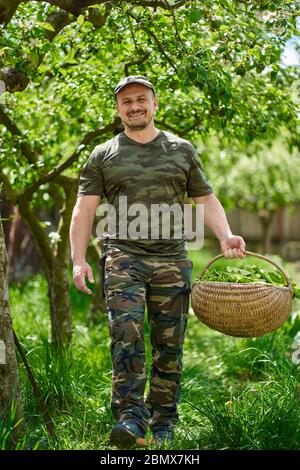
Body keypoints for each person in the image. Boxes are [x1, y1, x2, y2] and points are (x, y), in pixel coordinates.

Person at [69, 75, 245, 448]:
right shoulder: (104, 154)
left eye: (141, 99)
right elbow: (83, 211)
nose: (134, 106)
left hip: (171, 258)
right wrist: (77, 259)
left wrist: (225, 234)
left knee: (170, 342)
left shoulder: (181, 150)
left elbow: (205, 199)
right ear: (118, 109)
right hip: (122, 255)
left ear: (155, 103)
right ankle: (131, 418)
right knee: (126, 334)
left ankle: (164, 420)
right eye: (126, 101)